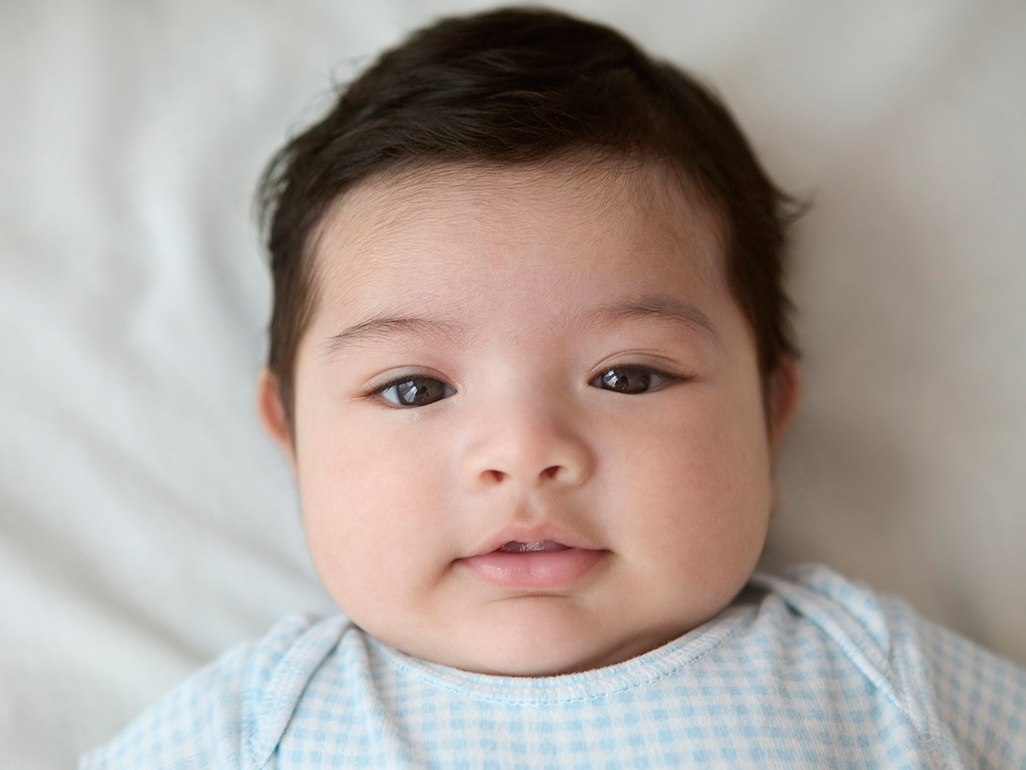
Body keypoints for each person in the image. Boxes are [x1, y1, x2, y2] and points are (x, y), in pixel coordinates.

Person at [82, 7, 1026, 768]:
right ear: (289, 434)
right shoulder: (259, 723)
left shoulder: (874, 676)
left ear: (769, 410)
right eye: (414, 388)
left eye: (627, 374)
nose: (526, 449)